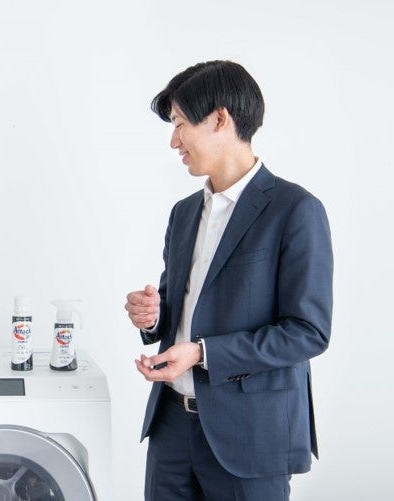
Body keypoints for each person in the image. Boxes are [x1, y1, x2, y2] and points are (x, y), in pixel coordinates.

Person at [124, 61, 333, 500]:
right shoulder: (184, 213)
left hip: (251, 436)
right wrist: (152, 316)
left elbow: (308, 332)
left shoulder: (295, 210)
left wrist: (204, 353)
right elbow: (178, 305)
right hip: (171, 430)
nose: (174, 140)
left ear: (220, 119)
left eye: (180, 123)